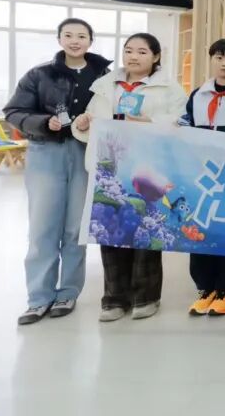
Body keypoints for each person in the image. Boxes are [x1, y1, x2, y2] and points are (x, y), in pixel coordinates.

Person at [74, 33, 187, 322]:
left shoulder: (169, 88)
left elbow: (181, 121)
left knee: (146, 230)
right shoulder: (106, 85)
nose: (133, 56)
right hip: (110, 168)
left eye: (142, 52)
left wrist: (150, 122)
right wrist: (83, 123)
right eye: (128, 50)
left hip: (148, 168)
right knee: (110, 229)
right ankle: (114, 299)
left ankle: (146, 297)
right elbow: (91, 122)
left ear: (156, 56)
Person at [6, 18, 112, 325]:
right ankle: (38, 298)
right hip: (46, 152)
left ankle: (68, 293)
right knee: (43, 227)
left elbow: (114, 111)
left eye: (81, 35)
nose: (75, 40)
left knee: (76, 228)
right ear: (59, 39)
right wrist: (43, 123)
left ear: (90, 40)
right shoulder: (39, 74)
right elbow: (14, 111)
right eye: (68, 35)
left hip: (85, 152)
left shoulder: (103, 76)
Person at [182, 38, 225, 317]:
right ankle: (205, 288)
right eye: (219, 58)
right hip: (202, 174)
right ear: (211, 59)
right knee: (200, 229)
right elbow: (186, 125)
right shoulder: (198, 94)